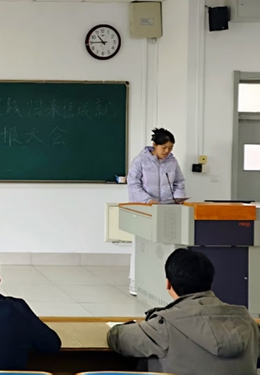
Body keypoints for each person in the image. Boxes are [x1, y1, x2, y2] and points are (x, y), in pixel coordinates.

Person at [108, 249, 260, 375]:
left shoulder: (163, 327)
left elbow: (117, 337)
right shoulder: (248, 323)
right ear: (210, 285)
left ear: (168, 284)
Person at [127, 127, 185, 295]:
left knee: (163, 246)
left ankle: (160, 282)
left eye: (170, 148)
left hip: (167, 209)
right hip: (144, 208)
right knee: (141, 245)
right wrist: (148, 200)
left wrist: (178, 198)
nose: (167, 151)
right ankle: (135, 281)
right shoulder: (140, 161)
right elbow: (133, 184)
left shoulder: (172, 162)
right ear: (154, 145)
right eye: (164, 147)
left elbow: (179, 182)